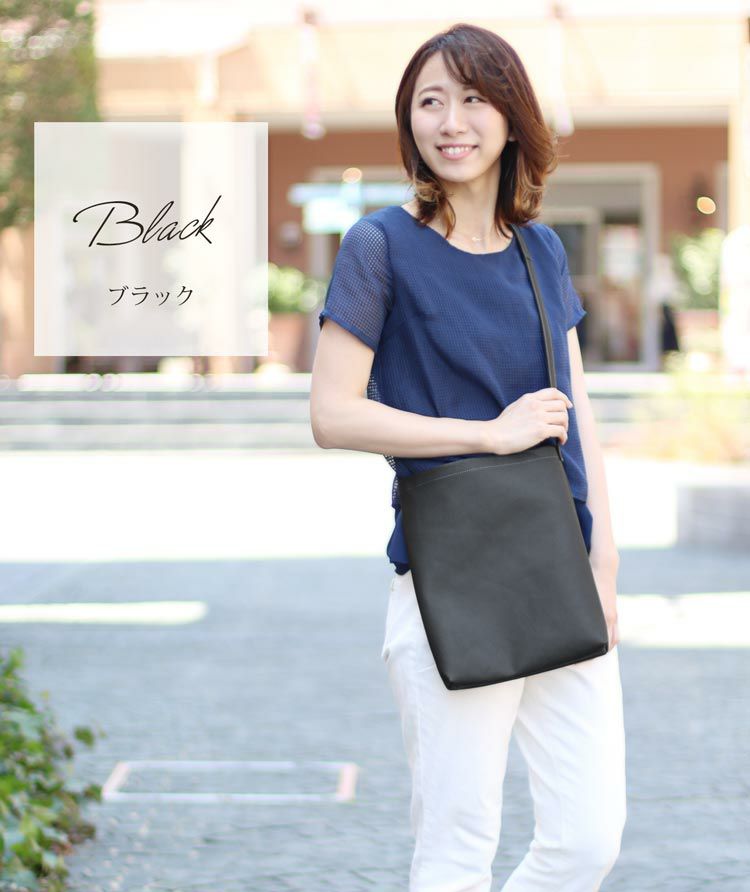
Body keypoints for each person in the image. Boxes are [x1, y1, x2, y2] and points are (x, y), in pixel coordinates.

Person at [310, 22, 626, 892]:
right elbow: (333, 414)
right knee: (457, 848)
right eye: (430, 101)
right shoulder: (381, 245)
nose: (451, 121)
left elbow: (579, 412)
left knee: (587, 839)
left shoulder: (541, 249)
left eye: (475, 98)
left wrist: (605, 565)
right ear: (408, 120)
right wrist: (488, 434)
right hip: (450, 577)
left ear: (512, 116)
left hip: (557, 568)